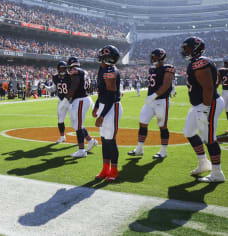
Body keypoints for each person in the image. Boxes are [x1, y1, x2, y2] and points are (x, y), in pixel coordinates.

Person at [180, 36, 225, 183]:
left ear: (195, 48)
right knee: (188, 131)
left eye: (187, 48)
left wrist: (205, 108)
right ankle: (204, 162)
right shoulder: (198, 62)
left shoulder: (200, 62)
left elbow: (208, 87)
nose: (185, 50)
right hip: (199, 105)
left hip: (208, 104)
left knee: (209, 139)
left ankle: (217, 173)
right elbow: (216, 78)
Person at [128, 48, 175, 159]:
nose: (153, 59)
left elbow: (166, 84)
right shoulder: (152, 69)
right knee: (142, 123)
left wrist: (154, 95)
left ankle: (163, 151)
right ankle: (139, 148)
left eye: (155, 57)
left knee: (162, 126)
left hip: (161, 101)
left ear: (161, 57)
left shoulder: (168, 68)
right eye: (152, 57)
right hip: (150, 102)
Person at [92, 45, 123, 182]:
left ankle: (114, 170)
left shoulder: (110, 70)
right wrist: (97, 106)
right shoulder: (103, 68)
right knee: (104, 140)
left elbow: (111, 95)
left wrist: (102, 115)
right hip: (105, 105)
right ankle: (105, 168)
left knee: (110, 140)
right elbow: (102, 92)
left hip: (112, 107)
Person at [58, 57, 97, 158]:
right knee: (76, 124)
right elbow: (89, 87)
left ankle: (81, 150)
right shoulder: (84, 72)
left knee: (78, 126)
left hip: (80, 100)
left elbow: (74, 86)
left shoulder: (74, 71)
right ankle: (90, 140)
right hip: (83, 99)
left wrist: (66, 100)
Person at [52, 61, 72, 143]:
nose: (63, 70)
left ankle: (84, 137)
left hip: (71, 101)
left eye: (64, 68)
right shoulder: (55, 77)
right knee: (60, 120)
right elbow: (53, 88)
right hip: (61, 100)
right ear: (58, 69)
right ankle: (62, 136)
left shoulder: (70, 76)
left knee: (76, 121)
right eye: (61, 68)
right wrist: (46, 87)